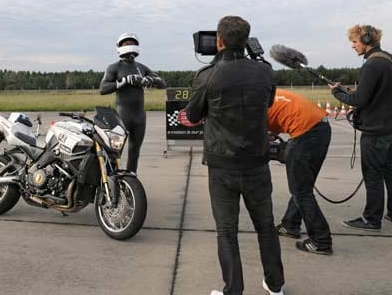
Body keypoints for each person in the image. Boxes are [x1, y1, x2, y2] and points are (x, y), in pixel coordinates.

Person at [185, 16, 284, 295]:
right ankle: (275, 285)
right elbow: (268, 102)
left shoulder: (207, 75)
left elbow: (192, 115)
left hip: (222, 164)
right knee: (266, 226)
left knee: (227, 231)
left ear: (219, 41)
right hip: (256, 162)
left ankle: (233, 289)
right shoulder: (264, 72)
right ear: (246, 40)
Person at [329, 24, 392, 231]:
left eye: (354, 42)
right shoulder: (390, 59)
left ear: (365, 41)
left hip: (377, 130)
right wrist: (350, 91)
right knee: (391, 170)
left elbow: (359, 100)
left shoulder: (371, 65)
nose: (353, 46)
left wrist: (337, 93)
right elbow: (380, 92)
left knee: (373, 174)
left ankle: (371, 219)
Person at [268, 89, 333, 255]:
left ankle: (321, 240)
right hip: (321, 127)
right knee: (303, 185)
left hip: (306, 133)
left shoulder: (250, 105)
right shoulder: (269, 92)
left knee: (301, 191)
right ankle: (290, 224)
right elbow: (276, 119)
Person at [100, 33, 166, 173]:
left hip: (139, 117)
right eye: (126, 43)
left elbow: (163, 83)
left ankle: (131, 179)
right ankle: (110, 182)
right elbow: (103, 89)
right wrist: (123, 81)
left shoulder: (141, 67)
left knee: (134, 151)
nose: (129, 45)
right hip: (122, 116)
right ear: (119, 47)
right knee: (115, 152)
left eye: (132, 42)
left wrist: (151, 80)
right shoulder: (114, 67)